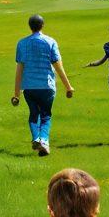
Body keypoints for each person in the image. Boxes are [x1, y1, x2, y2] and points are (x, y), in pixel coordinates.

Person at [12, 14, 74, 157]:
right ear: (42, 25)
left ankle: (36, 138)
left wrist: (16, 93)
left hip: (29, 86)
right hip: (47, 86)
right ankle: (44, 141)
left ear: (30, 26)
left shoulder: (22, 43)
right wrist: (68, 86)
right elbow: (58, 66)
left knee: (34, 114)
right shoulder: (50, 42)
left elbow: (19, 69)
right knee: (46, 115)